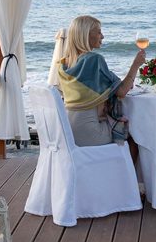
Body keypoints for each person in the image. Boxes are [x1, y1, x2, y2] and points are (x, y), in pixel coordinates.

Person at [56, 15, 145, 150]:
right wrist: (136, 65)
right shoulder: (94, 60)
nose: (102, 36)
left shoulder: (64, 64)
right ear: (85, 35)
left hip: (68, 130)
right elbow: (121, 92)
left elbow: (85, 96)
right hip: (89, 132)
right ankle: (122, 171)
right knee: (136, 137)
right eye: (98, 32)